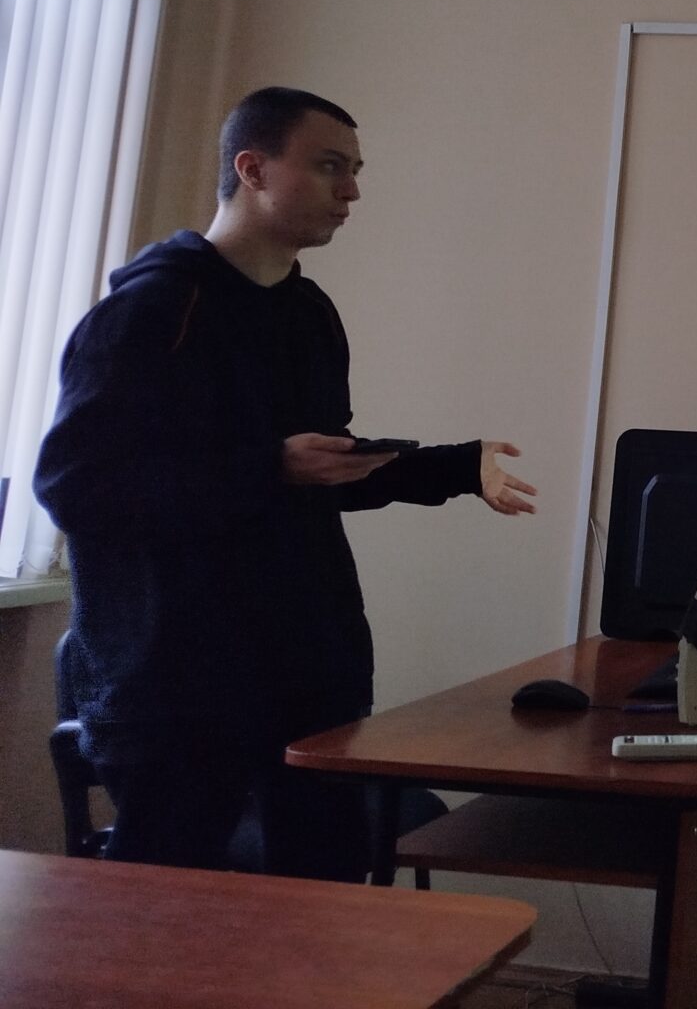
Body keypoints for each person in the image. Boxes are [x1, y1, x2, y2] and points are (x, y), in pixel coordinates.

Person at [33, 87, 537, 880]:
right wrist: (269, 466)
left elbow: (318, 471)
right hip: (177, 686)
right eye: (330, 166)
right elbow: (76, 486)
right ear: (253, 169)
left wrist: (455, 467)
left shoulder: (309, 313)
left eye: (357, 170)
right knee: (165, 915)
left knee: (322, 904)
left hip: (309, 673)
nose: (352, 191)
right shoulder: (152, 310)